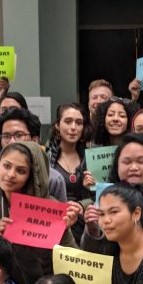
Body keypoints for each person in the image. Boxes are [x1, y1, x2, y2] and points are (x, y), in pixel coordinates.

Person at [0, 140, 81, 284]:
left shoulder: (51, 209)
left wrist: (58, 232)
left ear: (33, 176)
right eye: (6, 166)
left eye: (21, 171)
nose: (11, 175)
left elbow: (73, 263)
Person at [0, 108, 68, 202]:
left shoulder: (53, 179)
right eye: (6, 136)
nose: (12, 142)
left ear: (35, 140)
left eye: (19, 135)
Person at [47, 103, 91, 240]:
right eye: (68, 121)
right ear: (57, 125)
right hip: (52, 227)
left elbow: (104, 197)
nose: (73, 127)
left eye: (78, 123)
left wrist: (91, 190)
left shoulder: (91, 158)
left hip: (85, 230)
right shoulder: (45, 157)